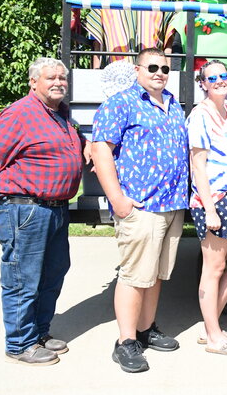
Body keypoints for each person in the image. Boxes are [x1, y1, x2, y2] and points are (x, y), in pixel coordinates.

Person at [0, 57, 89, 366]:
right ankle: (19, 344)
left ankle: (38, 333)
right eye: (50, 77)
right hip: (25, 209)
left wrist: (85, 144)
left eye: (62, 78)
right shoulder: (20, 114)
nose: (58, 83)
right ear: (33, 83)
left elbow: (70, 146)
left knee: (52, 274)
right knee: (23, 279)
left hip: (55, 209)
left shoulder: (60, 115)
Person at [91, 47, 189, 373]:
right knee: (134, 277)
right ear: (137, 70)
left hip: (172, 205)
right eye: (152, 67)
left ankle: (146, 330)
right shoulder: (121, 103)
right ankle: (125, 342)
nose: (159, 72)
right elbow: (101, 148)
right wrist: (117, 199)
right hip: (142, 205)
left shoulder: (173, 104)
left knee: (155, 276)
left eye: (164, 67)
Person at [186, 59, 227, 357]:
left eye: (223, 75)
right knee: (214, 269)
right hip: (215, 200)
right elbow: (197, 165)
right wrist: (210, 209)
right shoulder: (200, 115)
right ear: (203, 83)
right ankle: (214, 336)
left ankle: (208, 326)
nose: (219, 81)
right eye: (212, 77)